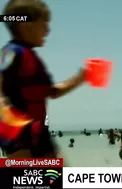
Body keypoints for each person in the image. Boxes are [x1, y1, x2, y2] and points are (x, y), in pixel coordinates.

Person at [0, 0, 85, 158]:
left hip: (39, 131)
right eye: (44, 23)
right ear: (26, 24)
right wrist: (3, 105)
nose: (48, 30)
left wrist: (80, 78)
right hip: (18, 132)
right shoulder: (12, 52)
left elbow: (52, 92)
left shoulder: (32, 58)